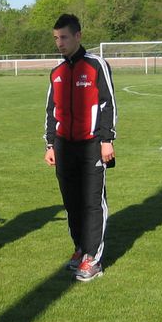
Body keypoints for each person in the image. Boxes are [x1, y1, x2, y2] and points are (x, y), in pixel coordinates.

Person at [44, 14, 117, 282]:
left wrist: (107, 139)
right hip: (64, 146)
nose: (59, 43)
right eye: (56, 38)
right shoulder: (57, 72)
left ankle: (93, 258)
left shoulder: (97, 65)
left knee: (92, 202)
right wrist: (50, 144)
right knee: (72, 202)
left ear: (78, 36)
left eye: (64, 37)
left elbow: (108, 103)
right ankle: (79, 248)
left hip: (91, 145)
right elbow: (51, 110)